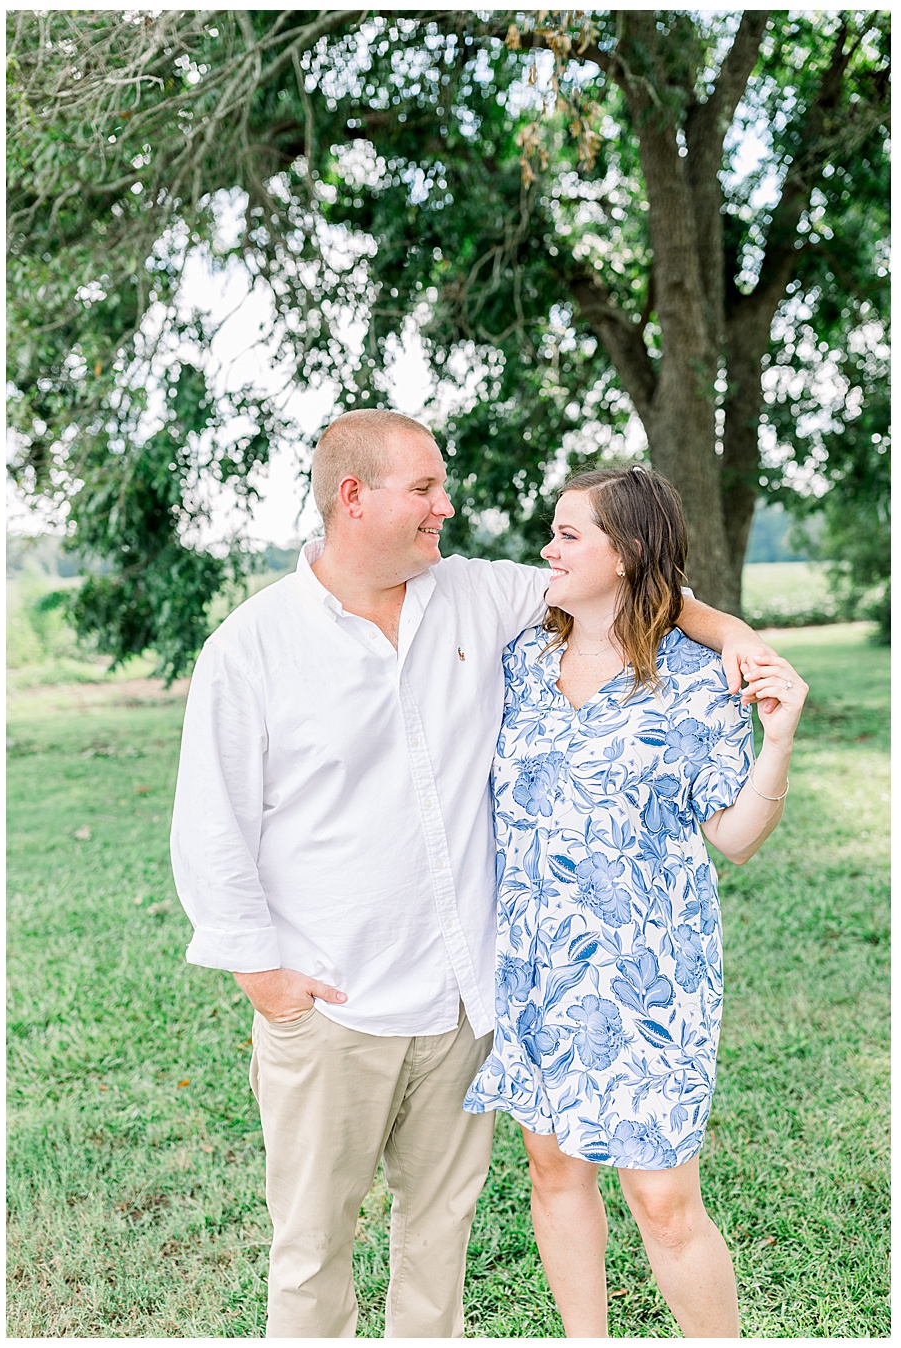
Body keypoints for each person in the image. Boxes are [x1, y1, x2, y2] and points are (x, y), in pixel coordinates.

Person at [169, 409, 777, 1337]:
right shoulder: (251, 648)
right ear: (353, 496)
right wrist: (262, 973)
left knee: (438, 1239)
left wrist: (727, 627)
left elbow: (634, 582)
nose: (447, 508)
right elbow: (210, 829)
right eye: (425, 490)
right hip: (330, 1004)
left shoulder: (475, 596)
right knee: (312, 1248)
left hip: (464, 1003)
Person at [461, 467, 805, 1337]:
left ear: (628, 553)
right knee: (552, 1171)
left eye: (570, 535)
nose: (548, 549)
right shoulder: (518, 663)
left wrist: (780, 739)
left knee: (662, 1199)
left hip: (650, 981)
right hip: (537, 968)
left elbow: (735, 837)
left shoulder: (698, 679)